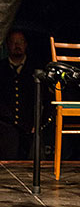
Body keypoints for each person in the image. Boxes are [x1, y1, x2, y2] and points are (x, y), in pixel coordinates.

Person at [0, 29, 36, 159]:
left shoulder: (35, 68)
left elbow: (46, 98)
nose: (17, 45)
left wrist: (38, 123)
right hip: (5, 129)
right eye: (13, 42)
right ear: (7, 45)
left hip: (30, 127)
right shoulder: (1, 68)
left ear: (26, 44)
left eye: (20, 42)